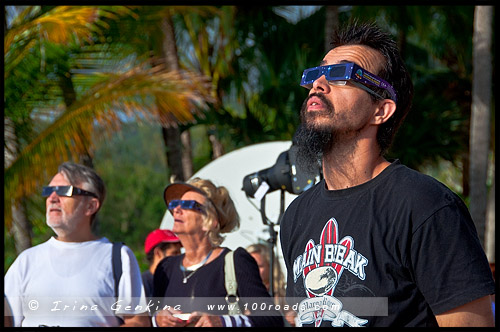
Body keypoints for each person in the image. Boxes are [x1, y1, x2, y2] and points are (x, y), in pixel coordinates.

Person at [279, 21, 495, 327]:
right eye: (315, 74)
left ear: (381, 110)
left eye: (342, 73)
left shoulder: (425, 205)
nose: (319, 84)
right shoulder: (296, 215)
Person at [4, 162, 150, 327]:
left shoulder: (117, 257)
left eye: (63, 191)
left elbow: (138, 322)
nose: (52, 198)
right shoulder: (26, 260)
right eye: (48, 191)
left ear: (91, 206)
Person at [153, 178, 284, 327]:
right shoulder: (166, 269)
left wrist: (224, 321)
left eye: (188, 205)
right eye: (174, 204)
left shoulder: (235, 261)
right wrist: (157, 319)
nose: (176, 209)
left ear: (211, 220)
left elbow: (272, 319)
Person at [246, 243, 296, 326]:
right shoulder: (238, 297)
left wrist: (293, 321)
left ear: (270, 267)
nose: (253, 270)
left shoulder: (284, 296)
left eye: (259, 266)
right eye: (249, 266)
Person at [142, 229, 182, 301]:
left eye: (180, 253)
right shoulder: (142, 285)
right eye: (174, 253)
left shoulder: (176, 281)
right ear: (158, 253)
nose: (180, 257)